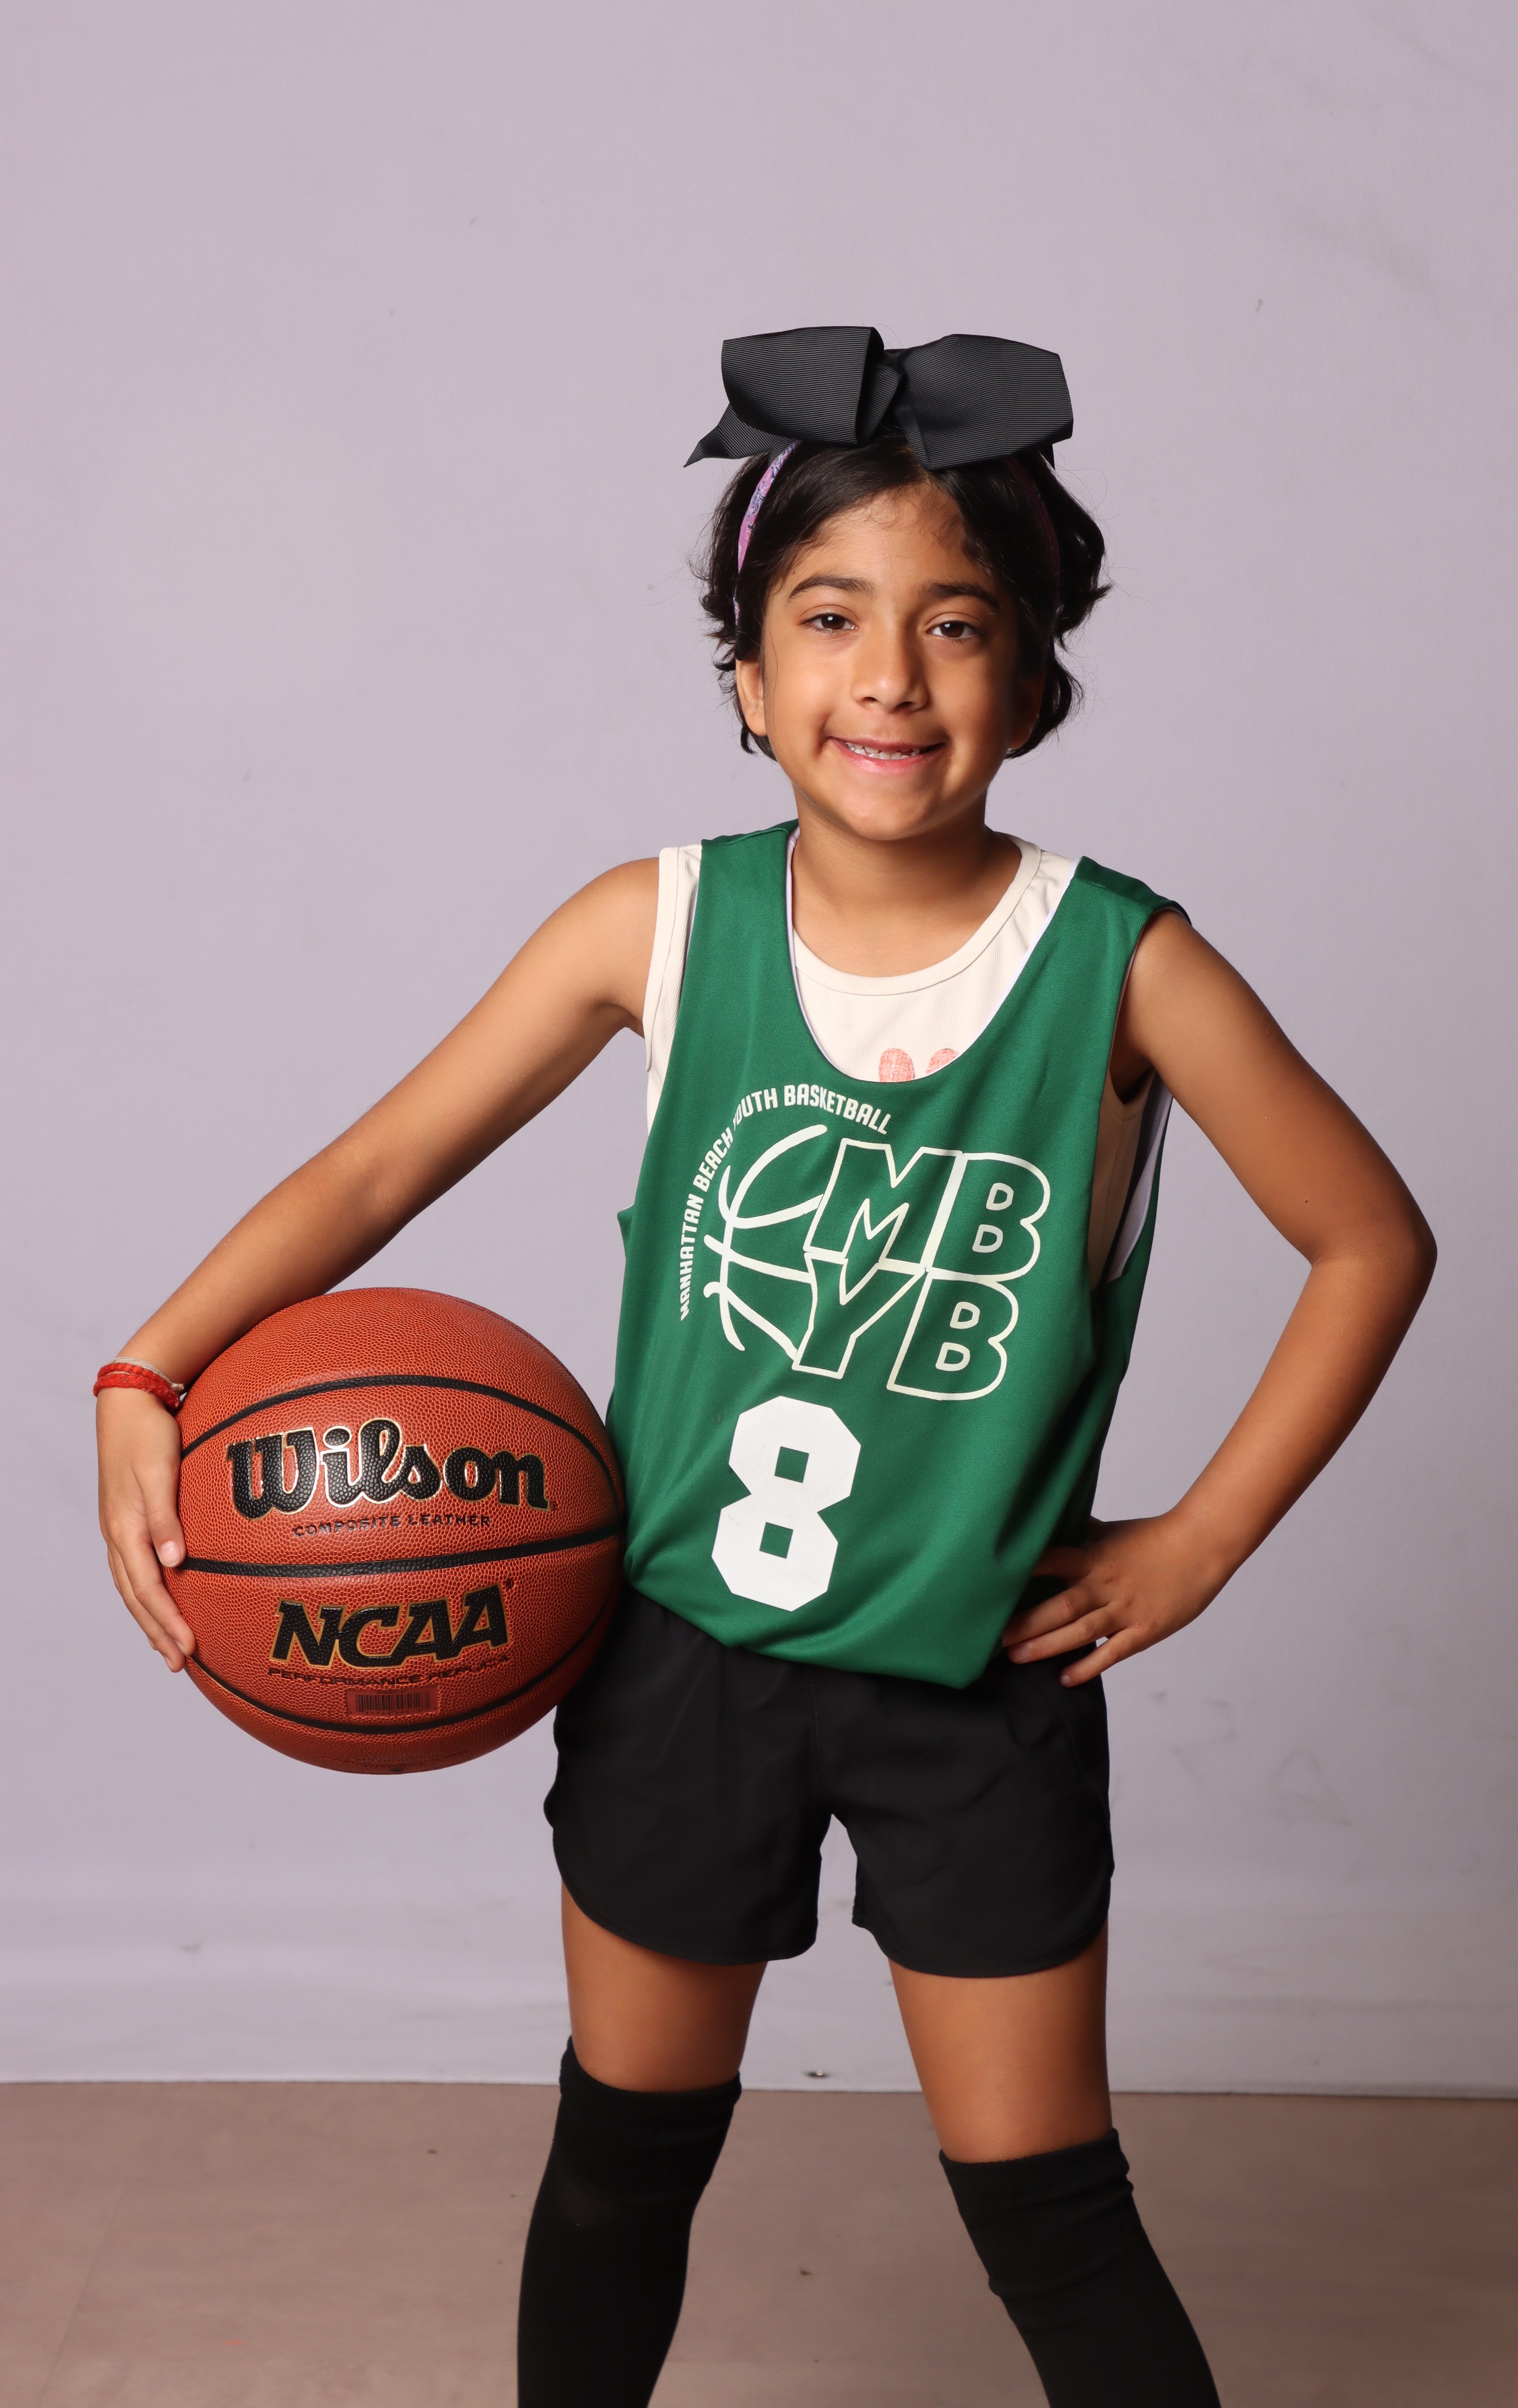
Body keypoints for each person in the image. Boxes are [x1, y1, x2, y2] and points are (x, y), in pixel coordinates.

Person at [96, 327, 1435, 2407]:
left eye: (954, 624)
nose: (888, 676)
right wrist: (148, 1371)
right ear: (743, 674)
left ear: (1033, 682)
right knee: (623, 2165)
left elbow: (1369, 1238)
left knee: (1051, 2210)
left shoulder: (1123, 964)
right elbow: (373, 1170)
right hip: (679, 1659)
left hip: (976, 1681)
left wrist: (1202, 1541)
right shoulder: (652, 927)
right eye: (827, 617)